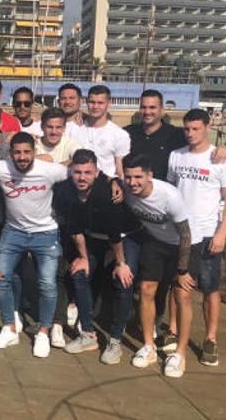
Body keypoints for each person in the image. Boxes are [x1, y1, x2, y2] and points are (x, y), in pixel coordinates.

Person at [0, 132, 67, 358]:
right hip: (14, 232)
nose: (22, 157)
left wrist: (113, 181)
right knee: (0, 278)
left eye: (26, 152)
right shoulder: (1, 168)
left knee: (47, 284)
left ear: (35, 151)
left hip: (46, 233)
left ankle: (42, 332)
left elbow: (75, 170)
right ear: (11, 154)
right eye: (17, 152)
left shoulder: (49, 170)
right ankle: (9, 328)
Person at [54, 149, 142, 362]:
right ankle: (88, 334)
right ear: (71, 171)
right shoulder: (66, 191)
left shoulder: (106, 192)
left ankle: (115, 341)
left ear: (96, 172)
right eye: (77, 172)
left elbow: (115, 234)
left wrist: (120, 263)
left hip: (124, 238)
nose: (82, 177)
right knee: (78, 274)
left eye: (87, 172)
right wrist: (83, 257)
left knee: (123, 281)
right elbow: (74, 228)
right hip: (92, 238)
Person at [165, 109, 226, 375]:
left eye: (196, 129)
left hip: (206, 235)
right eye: (187, 129)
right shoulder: (176, 156)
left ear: (207, 127)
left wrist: (222, 233)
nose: (191, 134)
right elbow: (171, 192)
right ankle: (172, 330)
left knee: (209, 288)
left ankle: (210, 339)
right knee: (178, 286)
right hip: (179, 235)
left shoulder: (221, 159)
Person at [122, 154, 191, 369]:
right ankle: (149, 347)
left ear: (150, 175)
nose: (133, 182)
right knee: (145, 289)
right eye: (128, 177)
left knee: (181, 294)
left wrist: (182, 269)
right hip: (156, 241)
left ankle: (180, 354)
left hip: (185, 244)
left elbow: (186, 234)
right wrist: (115, 183)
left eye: (138, 177)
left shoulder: (169, 196)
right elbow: (109, 181)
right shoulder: (125, 189)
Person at [65, 85, 130, 178]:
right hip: (76, 185)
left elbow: (120, 170)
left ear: (109, 104)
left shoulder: (119, 134)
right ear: (86, 102)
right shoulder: (71, 128)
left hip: (105, 186)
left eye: (100, 103)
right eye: (92, 102)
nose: (95, 106)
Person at [124, 89, 188, 181]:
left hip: (164, 192)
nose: (147, 112)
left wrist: (217, 150)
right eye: (143, 107)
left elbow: (200, 147)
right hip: (132, 192)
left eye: (152, 107)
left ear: (162, 110)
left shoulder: (177, 135)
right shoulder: (127, 133)